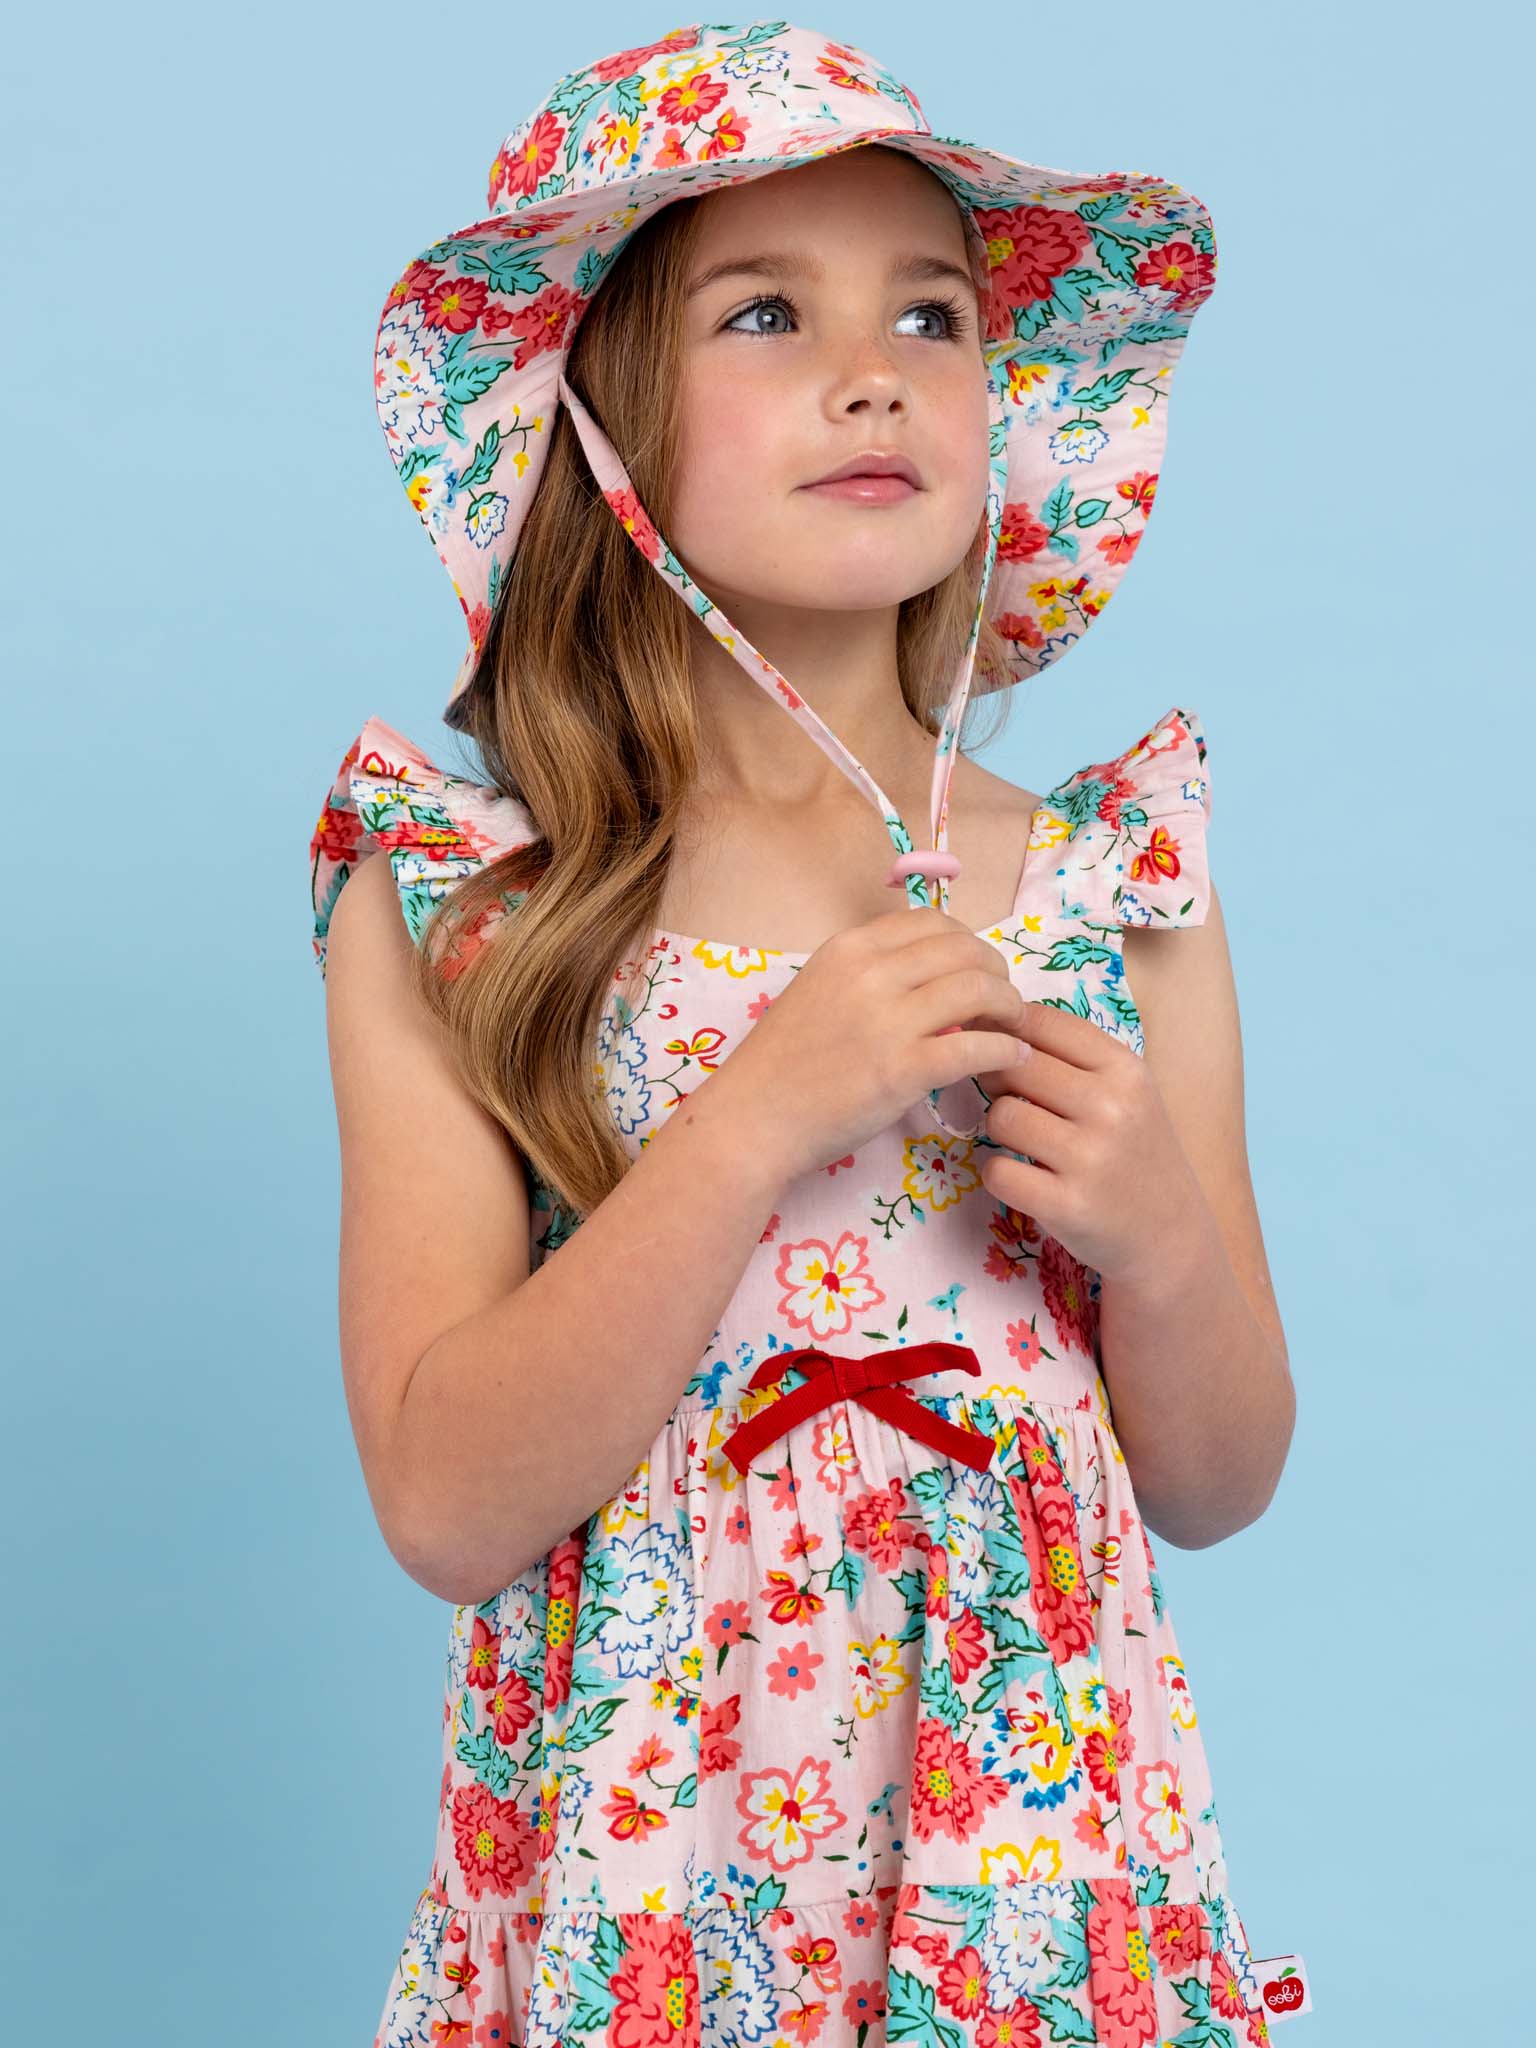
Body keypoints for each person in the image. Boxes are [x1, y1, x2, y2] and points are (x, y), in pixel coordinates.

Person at [309, 23, 1304, 2048]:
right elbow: (442, 1501)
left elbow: (1219, 1474)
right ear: (596, 422)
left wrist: (1161, 1241)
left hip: (1033, 1895)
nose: (876, 370)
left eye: (932, 316)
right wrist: (749, 1123)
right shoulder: (470, 909)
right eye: (768, 311)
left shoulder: (1116, 887)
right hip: (649, 1890)